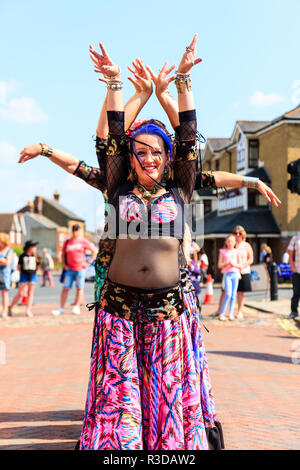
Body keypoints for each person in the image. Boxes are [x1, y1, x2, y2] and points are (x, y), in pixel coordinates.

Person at [19, 36, 280, 450]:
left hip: (168, 310)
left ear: (168, 155)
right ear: (131, 156)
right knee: (119, 402)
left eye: (157, 152)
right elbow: (109, 138)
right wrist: (116, 84)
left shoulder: (182, 186)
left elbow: (189, 134)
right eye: (140, 152)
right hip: (118, 309)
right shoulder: (116, 186)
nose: (149, 158)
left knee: (164, 398)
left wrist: (181, 81)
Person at [52, 224, 97, 316]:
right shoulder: (68, 242)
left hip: (80, 268)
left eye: (77, 230)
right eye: (74, 230)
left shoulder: (83, 241)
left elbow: (94, 251)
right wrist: (64, 264)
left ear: (80, 231)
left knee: (79, 288)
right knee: (65, 288)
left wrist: (88, 263)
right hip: (70, 269)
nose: (75, 232)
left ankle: (76, 306)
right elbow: (63, 253)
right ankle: (61, 308)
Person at [9, 240, 39, 317]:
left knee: (30, 293)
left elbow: (38, 265)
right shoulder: (22, 256)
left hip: (32, 275)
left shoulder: (35, 256)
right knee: (20, 293)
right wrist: (22, 273)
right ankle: (11, 307)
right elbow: (18, 266)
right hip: (24, 275)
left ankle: (28, 310)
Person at [218, 235, 242, 321]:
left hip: (235, 274)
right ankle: (222, 313)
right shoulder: (222, 251)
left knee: (233, 295)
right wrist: (227, 263)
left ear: (235, 242)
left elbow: (241, 265)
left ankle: (230, 313)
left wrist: (234, 264)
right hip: (227, 275)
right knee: (227, 294)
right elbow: (219, 265)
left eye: (232, 241)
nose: (230, 243)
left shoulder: (237, 252)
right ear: (226, 242)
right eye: (228, 241)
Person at [233, 225, 253, 320]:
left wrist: (242, 266)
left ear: (243, 234)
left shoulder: (246, 245)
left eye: (239, 233)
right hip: (232, 271)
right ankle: (227, 311)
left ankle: (239, 311)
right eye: (235, 233)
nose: (237, 235)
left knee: (240, 293)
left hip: (243, 271)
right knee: (230, 292)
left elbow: (251, 259)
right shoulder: (231, 244)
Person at [0, 233, 13, 319]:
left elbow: (8, 262)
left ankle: (4, 311)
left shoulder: (9, 251)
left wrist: (2, 260)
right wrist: (2, 260)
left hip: (5, 275)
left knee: (4, 292)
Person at [287, 231, 300, 319]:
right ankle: (294, 311)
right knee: (296, 292)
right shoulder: (295, 239)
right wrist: (293, 269)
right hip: (297, 271)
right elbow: (290, 256)